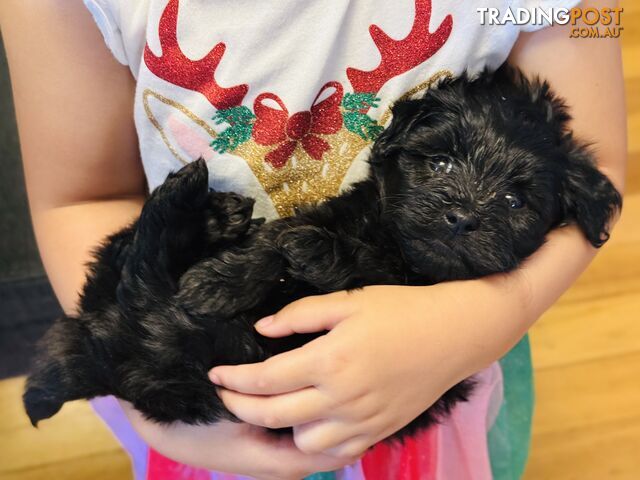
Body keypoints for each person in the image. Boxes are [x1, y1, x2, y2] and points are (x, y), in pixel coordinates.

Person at [0, 0, 626, 478]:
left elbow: (601, 177)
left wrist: (478, 324)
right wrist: (160, 412)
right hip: (204, 377)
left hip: (442, 372)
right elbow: (82, 199)